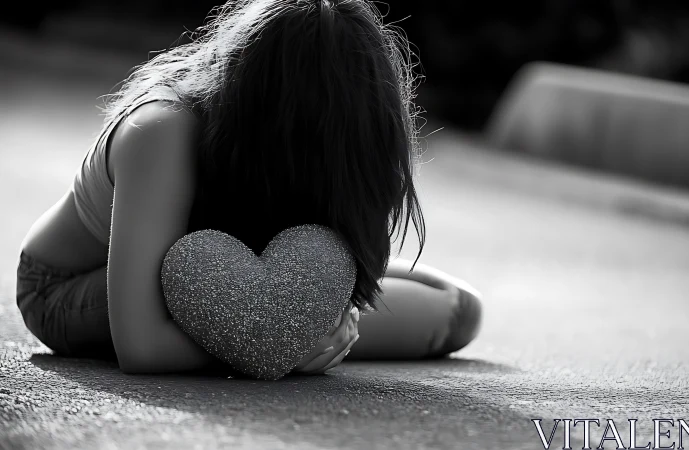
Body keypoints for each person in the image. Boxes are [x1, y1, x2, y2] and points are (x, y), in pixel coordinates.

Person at [15, 0, 482, 376]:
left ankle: (282, 304)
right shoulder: (162, 129)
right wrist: (285, 347)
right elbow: (141, 346)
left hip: (226, 270)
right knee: (444, 318)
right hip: (68, 289)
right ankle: (280, 314)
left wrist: (322, 303)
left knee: (462, 311)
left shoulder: (308, 153)